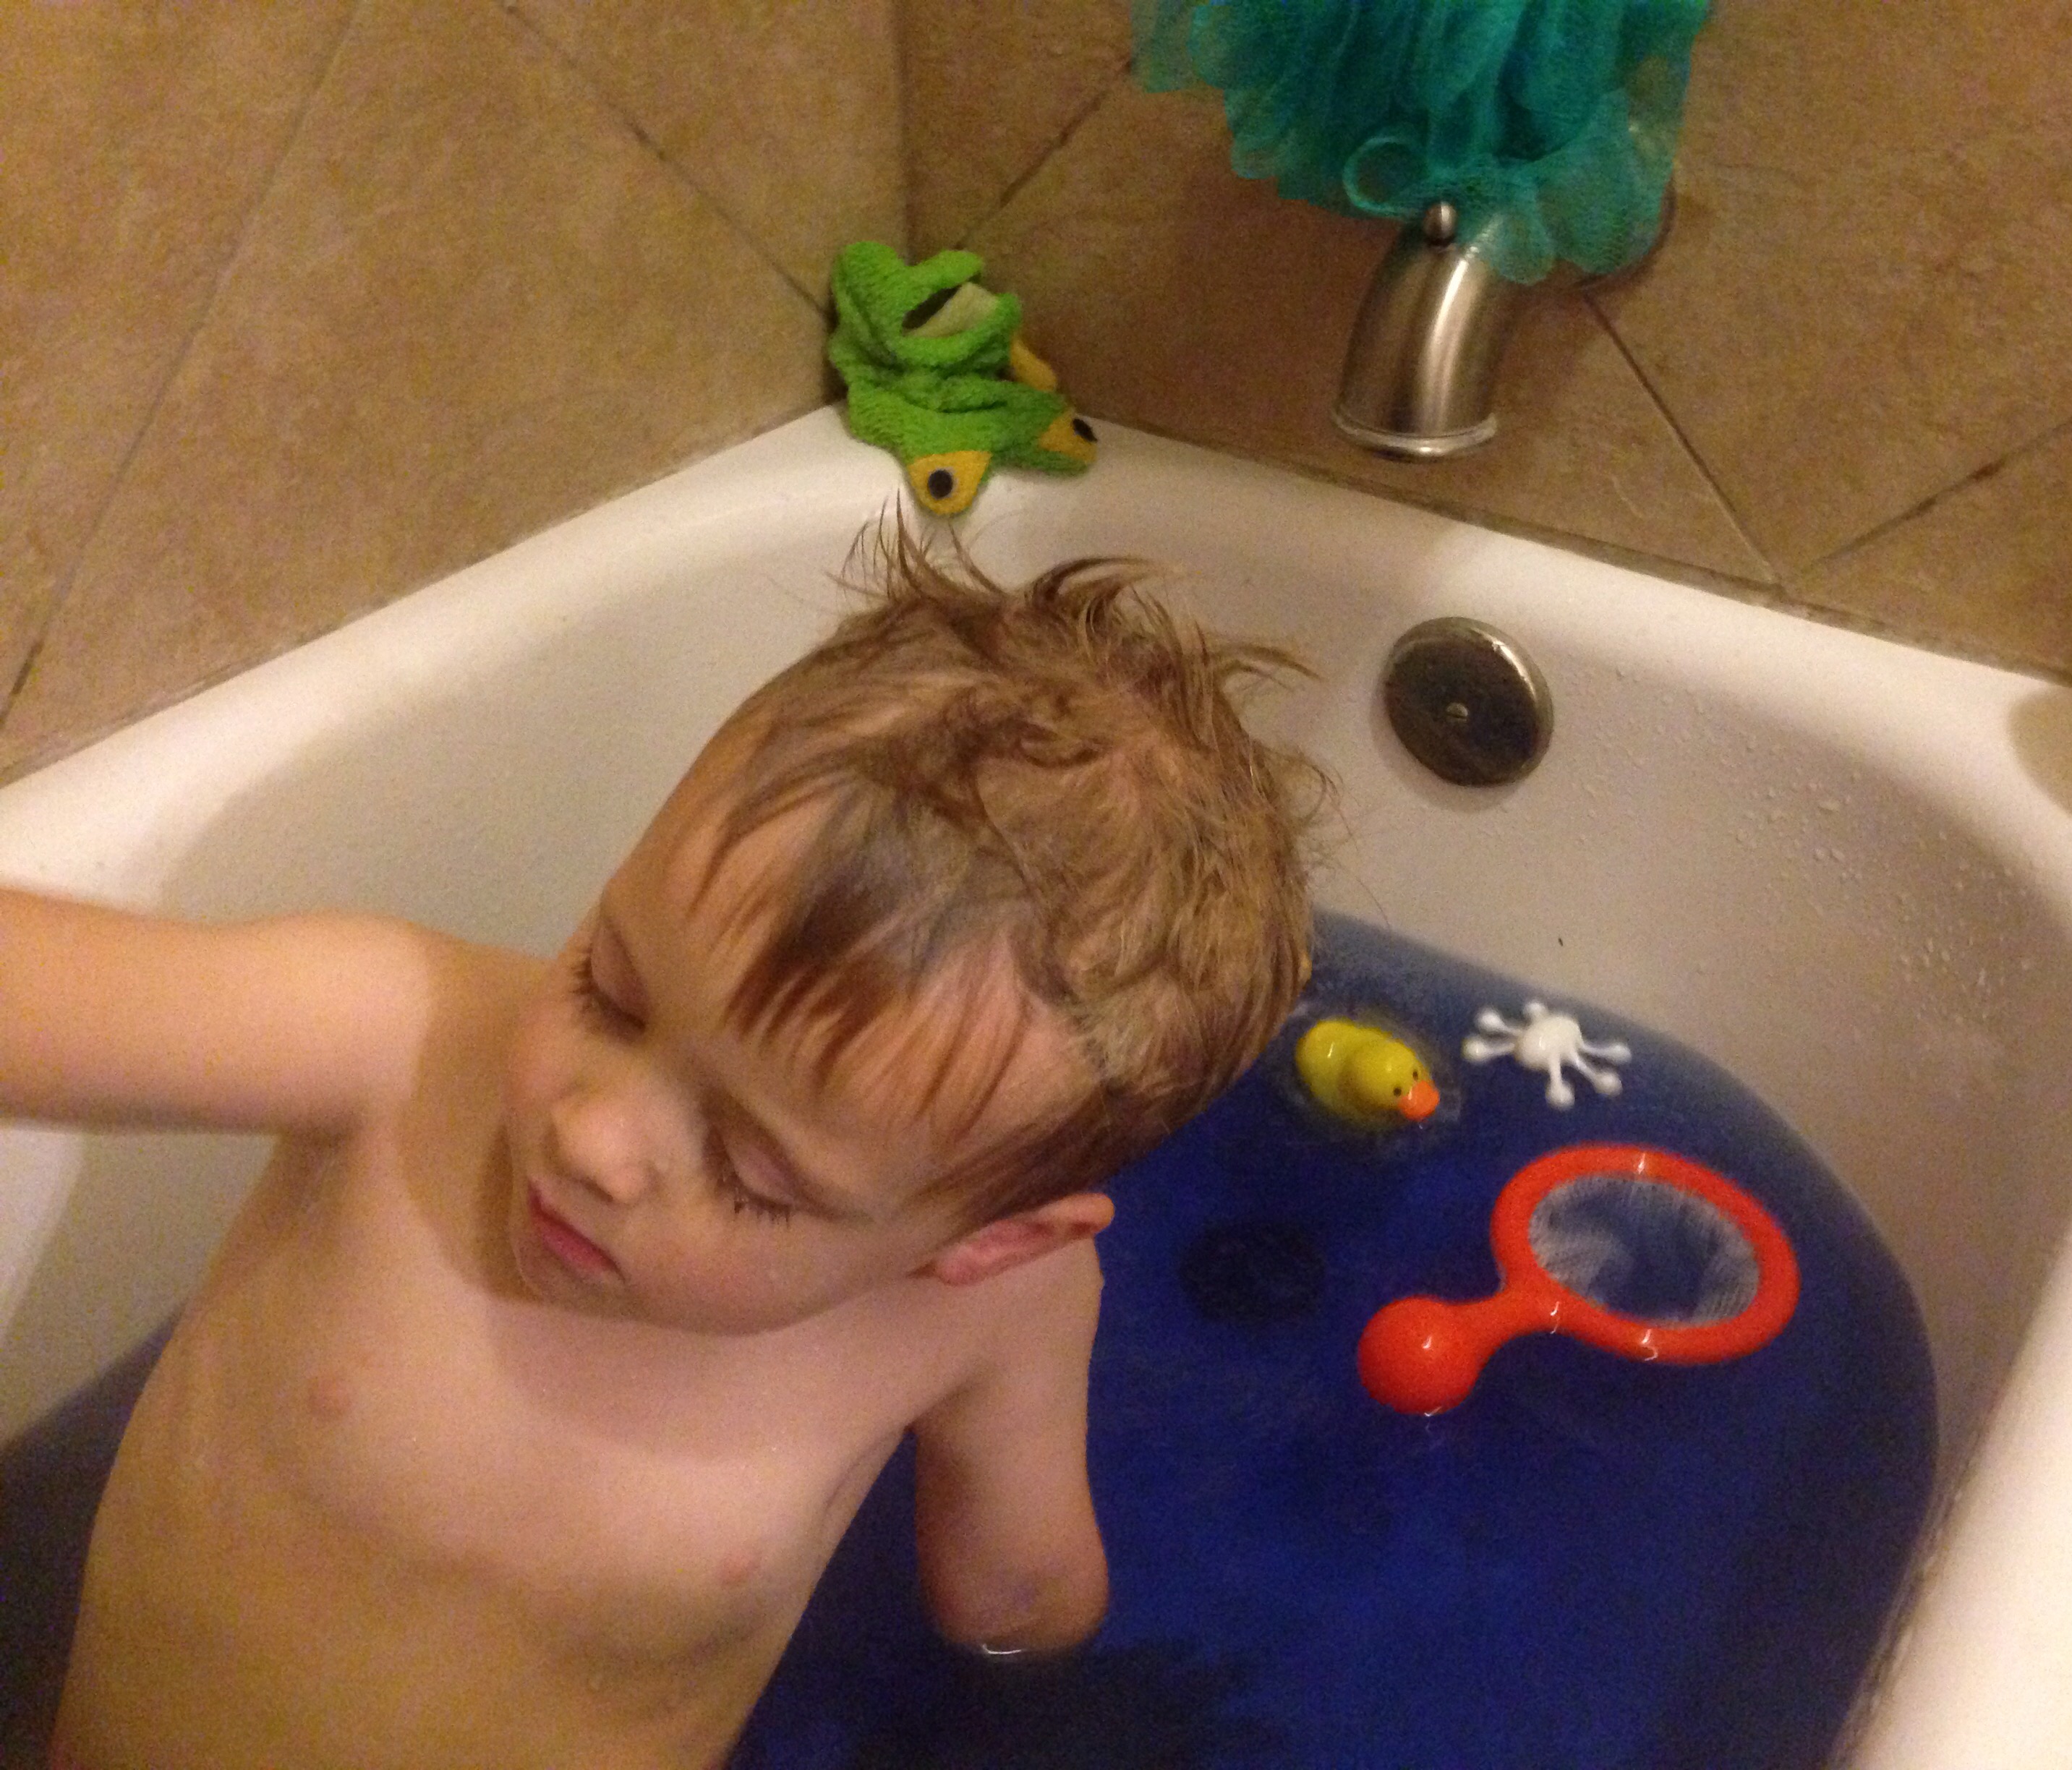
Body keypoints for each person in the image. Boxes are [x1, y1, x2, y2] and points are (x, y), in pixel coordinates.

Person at [0, 523, 1323, 1770]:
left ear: (986, 1241)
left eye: (752, 1173)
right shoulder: (391, 1037)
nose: (593, 1138)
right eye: (611, 991)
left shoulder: (997, 1311)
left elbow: (1017, 1597)